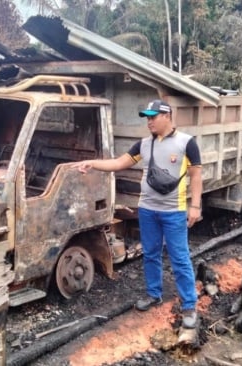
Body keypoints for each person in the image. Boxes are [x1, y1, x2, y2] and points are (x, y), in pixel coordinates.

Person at [72, 99, 202, 329]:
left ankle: (189, 305)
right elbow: (119, 163)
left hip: (174, 211)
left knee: (179, 258)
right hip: (148, 210)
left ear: (167, 116)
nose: (149, 121)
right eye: (147, 117)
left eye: (153, 116)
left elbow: (196, 175)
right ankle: (154, 294)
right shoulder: (143, 144)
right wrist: (91, 163)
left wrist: (195, 206)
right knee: (150, 254)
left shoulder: (187, 143)